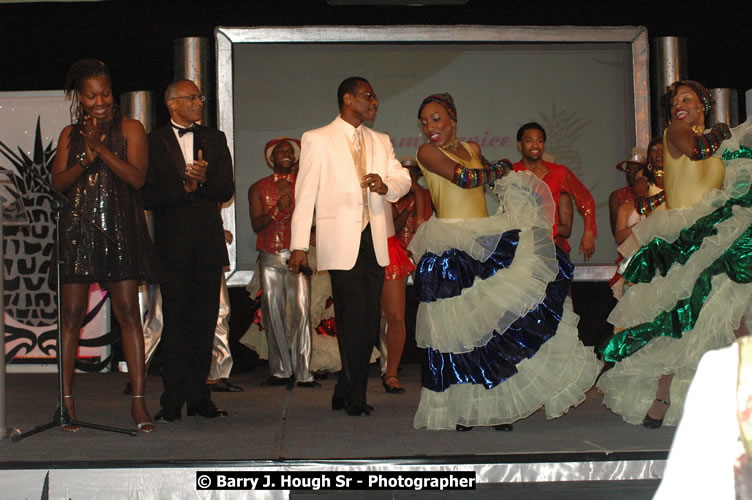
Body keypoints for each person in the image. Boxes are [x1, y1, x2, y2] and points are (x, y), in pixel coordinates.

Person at [410, 93, 600, 431]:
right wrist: (500, 168)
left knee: (491, 330)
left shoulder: (472, 149)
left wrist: (511, 181)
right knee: (459, 332)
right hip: (451, 245)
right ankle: (464, 408)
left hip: (483, 241)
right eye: (424, 122)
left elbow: (489, 180)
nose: (429, 127)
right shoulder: (426, 152)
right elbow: (465, 179)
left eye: (436, 118)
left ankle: (494, 407)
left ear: (452, 118)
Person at [597, 80, 752, 428]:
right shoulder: (677, 130)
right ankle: (662, 397)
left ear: (703, 106)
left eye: (687, 99)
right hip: (683, 238)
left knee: (731, 314)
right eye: (674, 102)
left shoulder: (718, 143)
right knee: (677, 317)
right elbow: (698, 150)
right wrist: (724, 131)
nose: (678, 106)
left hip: (714, 232)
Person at [51, 59, 165, 433]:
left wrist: (101, 148)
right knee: (69, 318)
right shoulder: (70, 134)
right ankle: (66, 404)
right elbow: (58, 184)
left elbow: (136, 178)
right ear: (79, 98)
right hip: (77, 231)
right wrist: (86, 154)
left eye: (105, 93)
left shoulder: (131, 127)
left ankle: (138, 403)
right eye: (91, 95)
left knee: (129, 314)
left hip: (120, 229)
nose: (99, 101)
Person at [288, 77, 411, 416]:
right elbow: (305, 195)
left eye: (375, 97)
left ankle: (345, 388)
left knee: (368, 318)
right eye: (368, 96)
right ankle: (356, 395)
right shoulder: (317, 138)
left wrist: (386, 185)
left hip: (374, 238)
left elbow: (403, 179)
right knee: (351, 316)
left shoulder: (380, 139)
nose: (375, 103)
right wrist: (298, 246)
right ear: (347, 98)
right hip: (340, 240)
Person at [143, 79, 235, 422]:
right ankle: (172, 400)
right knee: (176, 323)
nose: (199, 102)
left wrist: (205, 181)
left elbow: (226, 188)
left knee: (204, 322)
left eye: (200, 97)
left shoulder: (214, 138)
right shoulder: (153, 142)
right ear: (172, 104)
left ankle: (200, 398)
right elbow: (146, 195)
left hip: (208, 247)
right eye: (192, 97)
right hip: (172, 248)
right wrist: (185, 187)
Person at [249, 136, 318, 388]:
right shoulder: (258, 187)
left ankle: (304, 372)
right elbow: (257, 224)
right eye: (281, 152)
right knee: (273, 313)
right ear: (271, 159)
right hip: (270, 256)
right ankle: (280, 370)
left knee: (301, 311)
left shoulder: (306, 185)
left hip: (298, 256)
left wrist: (313, 234)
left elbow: (320, 217)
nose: (287, 154)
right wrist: (278, 209)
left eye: (290, 151)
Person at [513, 122, 597, 261]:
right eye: (529, 141)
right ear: (520, 145)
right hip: (520, 248)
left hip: (554, 249)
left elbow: (585, 199)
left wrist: (588, 232)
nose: (535, 145)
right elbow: (511, 210)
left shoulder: (559, 172)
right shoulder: (511, 172)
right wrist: (534, 183)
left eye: (539, 141)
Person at [378, 197, 415, 393]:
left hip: (388, 246)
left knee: (396, 316)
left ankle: (391, 373)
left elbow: (395, 223)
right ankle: (352, 377)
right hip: (355, 249)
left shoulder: (389, 175)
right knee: (358, 318)